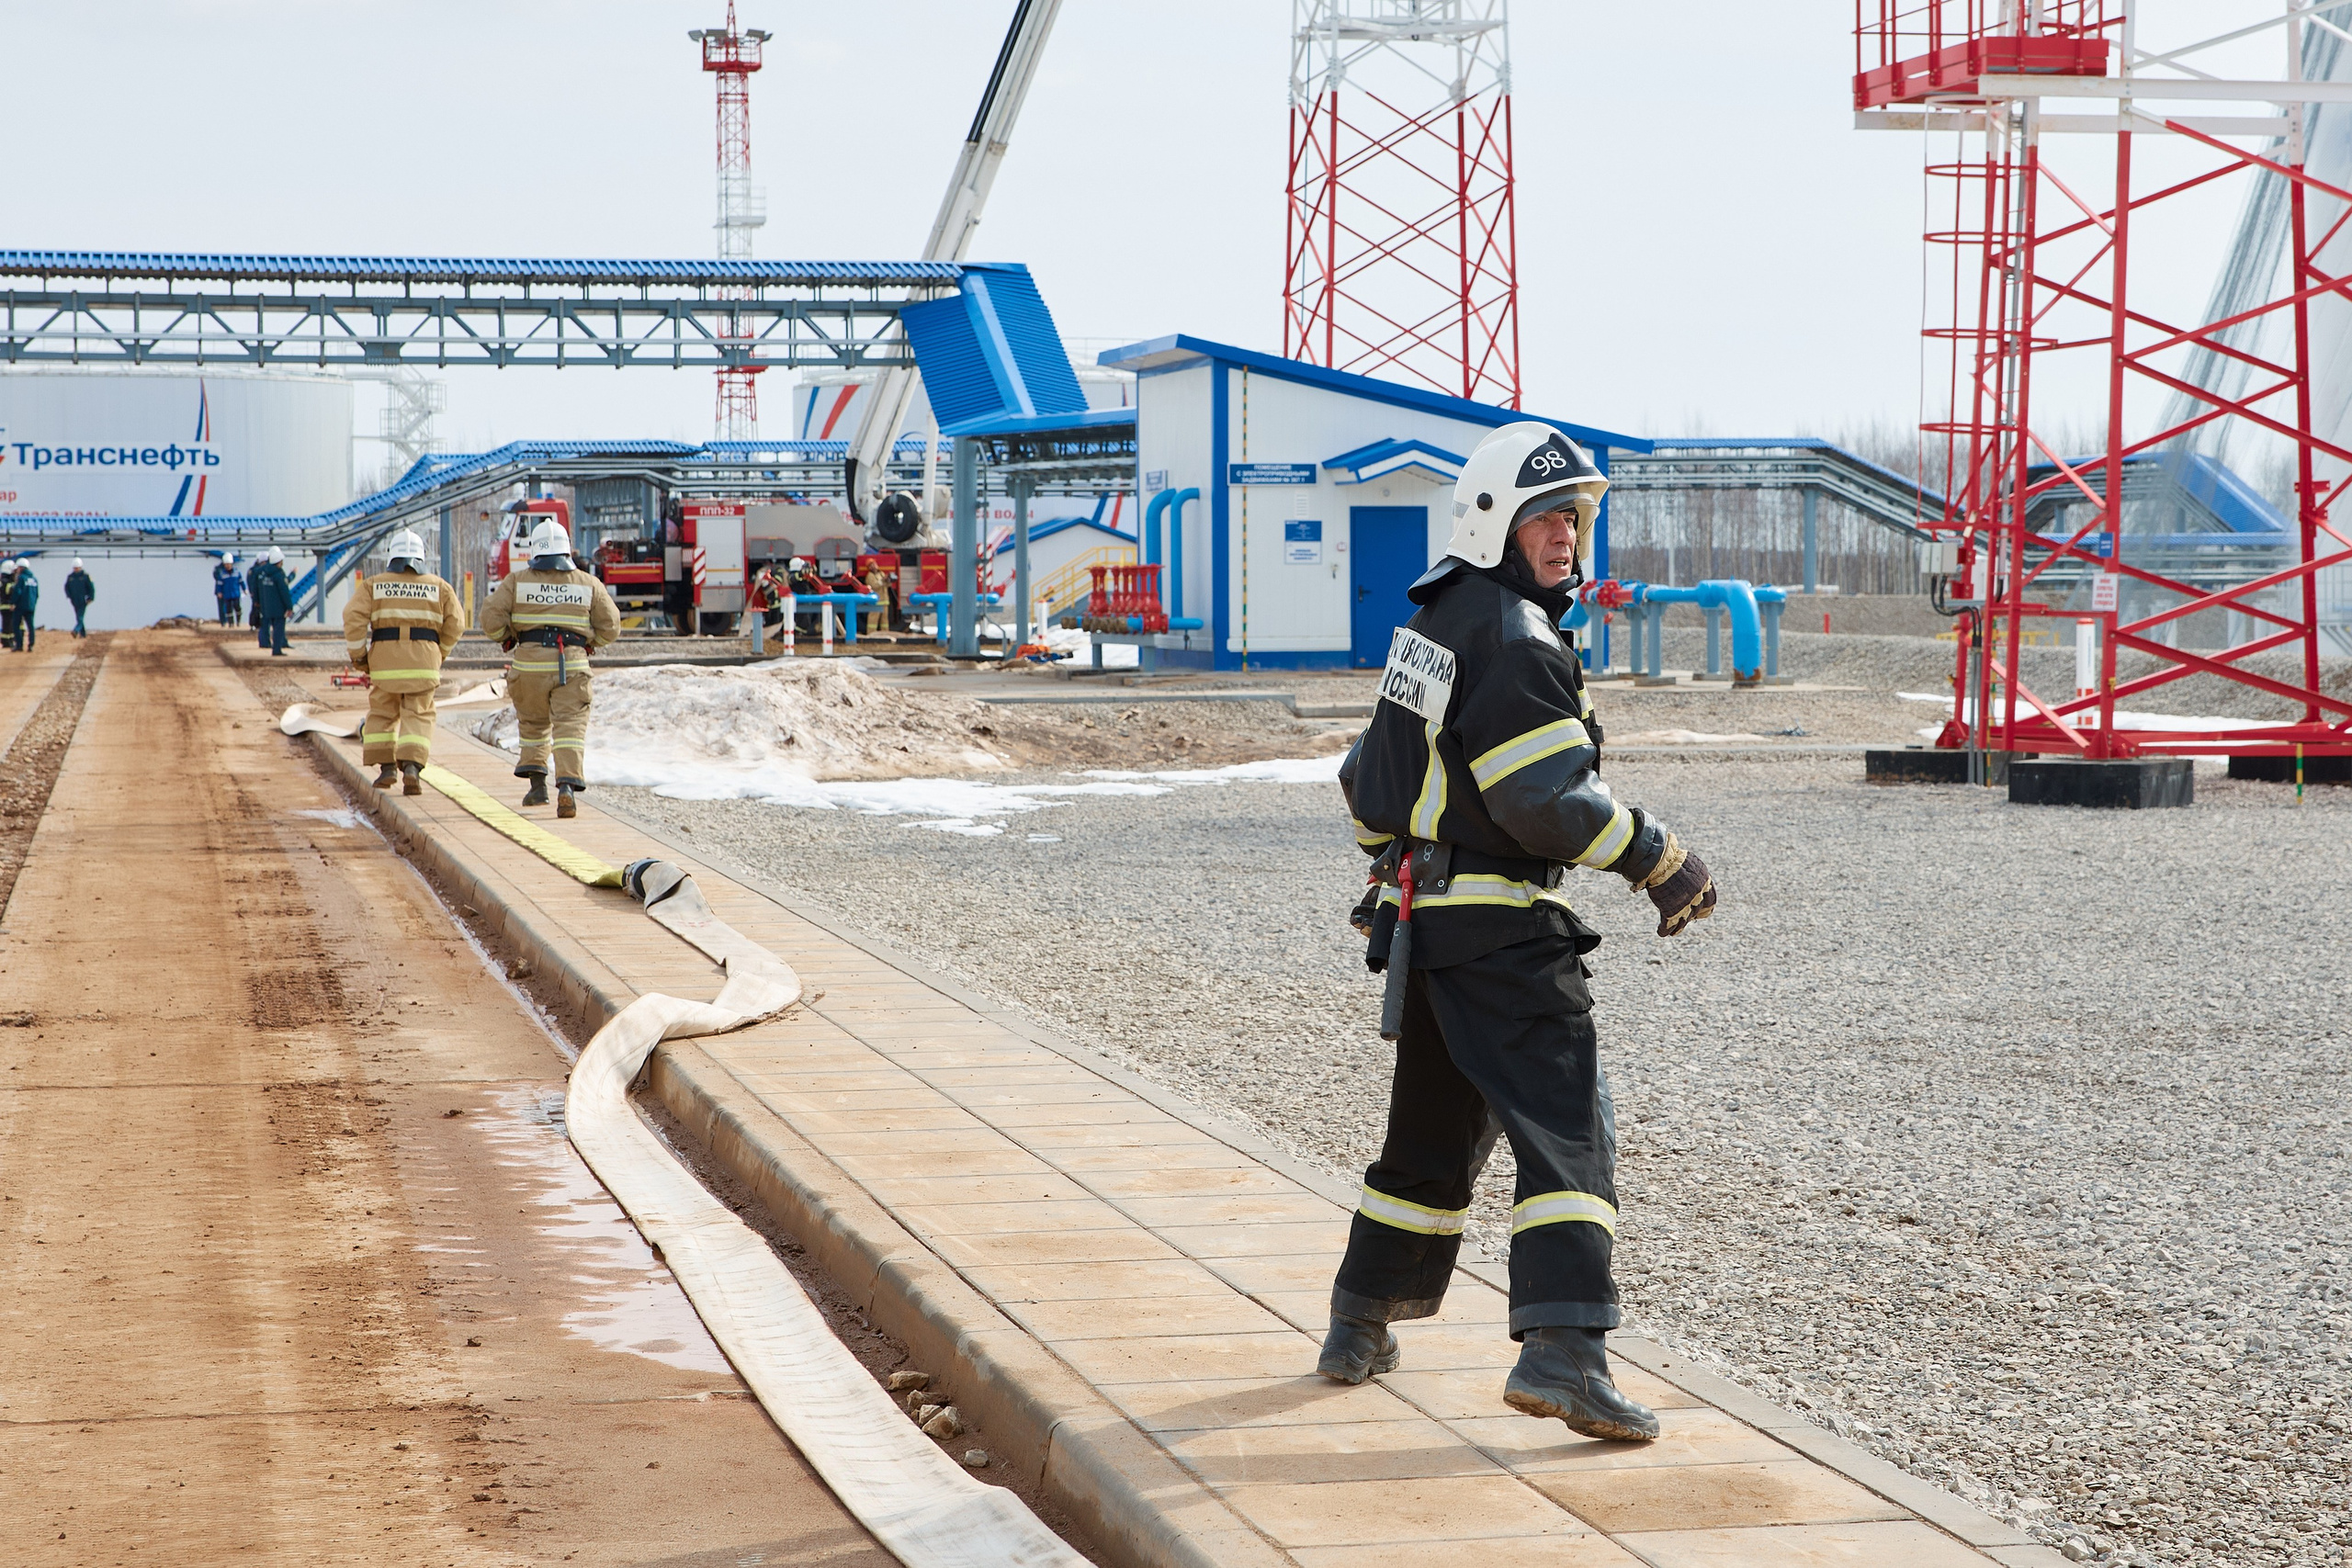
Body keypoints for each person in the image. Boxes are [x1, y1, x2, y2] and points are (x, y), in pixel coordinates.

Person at [1322, 422, 1720, 1443]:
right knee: (1568, 1128)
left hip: (1428, 932)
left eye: (1576, 519)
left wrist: (1400, 850)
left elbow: (1368, 784)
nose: (1566, 538)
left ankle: (1359, 1322)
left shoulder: (1433, 624)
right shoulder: (1514, 633)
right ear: (1494, 518)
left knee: (1429, 1137)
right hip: (1502, 930)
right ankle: (1565, 1353)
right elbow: (1541, 795)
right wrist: (1656, 856)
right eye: (1548, 517)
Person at [478, 516, 619, 819]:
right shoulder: (587, 582)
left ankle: (537, 787)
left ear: (534, 550)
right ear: (567, 550)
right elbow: (611, 626)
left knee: (533, 726)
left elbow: (490, 618)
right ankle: (566, 788)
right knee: (569, 728)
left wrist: (508, 637)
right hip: (573, 665)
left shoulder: (516, 581)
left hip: (528, 666)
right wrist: (590, 641)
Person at [343, 528, 467, 795]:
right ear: (422, 557)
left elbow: (352, 617)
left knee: (382, 713)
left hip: (384, 663)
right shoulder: (439, 586)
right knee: (419, 714)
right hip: (424, 662)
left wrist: (360, 656)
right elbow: (457, 623)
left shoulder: (373, 585)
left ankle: (386, 768)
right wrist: (439, 652)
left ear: (392, 556)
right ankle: (411, 766)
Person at [249, 547, 293, 656]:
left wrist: (256, 601)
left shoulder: (261, 572)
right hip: (278, 608)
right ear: (279, 562)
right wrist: (289, 607)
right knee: (278, 629)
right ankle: (277, 650)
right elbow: (284, 592)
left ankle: (264, 643)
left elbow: (255, 588)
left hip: (265, 606)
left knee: (265, 625)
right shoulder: (279, 574)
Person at [7, 558, 38, 652]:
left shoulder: (21, 578)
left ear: (21, 568)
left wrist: (13, 603)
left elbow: (18, 592)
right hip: (31, 606)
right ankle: (31, 645)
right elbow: (36, 594)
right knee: (31, 626)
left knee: (16, 624)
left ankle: (19, 645)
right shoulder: (34, 579)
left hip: (20, 606)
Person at [64, 559, 95, 638]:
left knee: (80, 616)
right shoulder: (70, 577)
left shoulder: (85, 576)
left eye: (77, 568)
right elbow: (66, 587)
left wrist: (91, 597)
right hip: (74, 600)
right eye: (75, 568)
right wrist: (69, 596)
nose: (76, 569)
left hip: (83, 599)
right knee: (78, 616)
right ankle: (83, 634)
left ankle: (76, 630)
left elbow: (91, 588)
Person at [212, 553, 243, 627]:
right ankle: (225, 622)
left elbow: (240, 581)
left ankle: (235, 622)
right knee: (224, 608)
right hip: (223, 592)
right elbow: (218, 581)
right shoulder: (219, 570)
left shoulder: (236, 572)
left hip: (233, 593)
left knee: (236, 606)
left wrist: (244, 589)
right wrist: (219, 592)